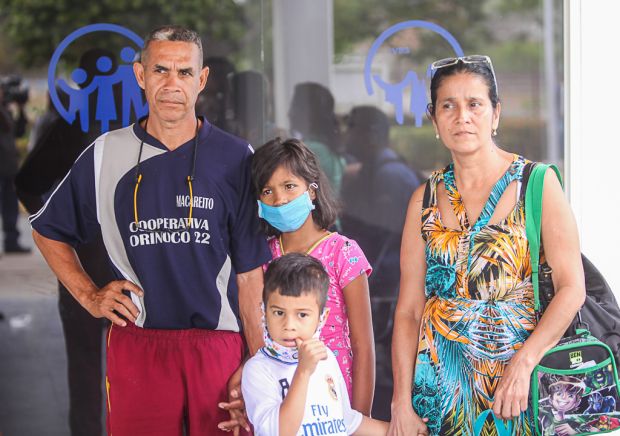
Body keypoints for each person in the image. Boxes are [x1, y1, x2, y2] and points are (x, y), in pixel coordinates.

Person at [30, 25, 270, 435]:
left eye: (184, 72)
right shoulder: (106, 153)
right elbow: (48, 230)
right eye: (160, 70)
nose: (172, 84)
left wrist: (258, 361)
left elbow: (249, 275)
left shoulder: (235, 157)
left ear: (202, 79)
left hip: (218, 347)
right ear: (140, 76)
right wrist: (89, 295)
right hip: (137, 343)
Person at [388, 55, 585, 435]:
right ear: (433, 119)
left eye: (474, 104)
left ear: (495, 113)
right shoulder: (422, 199)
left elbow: (572, 289)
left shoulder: (538, 185)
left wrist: (524, 364)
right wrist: (400, 401)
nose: (462, 116)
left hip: (518, 392)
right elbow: (409, 311)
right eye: (449, 105)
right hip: (439, 396)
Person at [15, 48, 122, 436]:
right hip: (132, 258)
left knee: (85, 364)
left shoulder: (73, 125)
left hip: (85, 257)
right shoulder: (140, 123)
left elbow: (27, 182)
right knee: (141, 362)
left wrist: (62, 226)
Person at [251, 137, 376, 416]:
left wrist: (359, 418)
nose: (280, 199)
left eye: (289, 186)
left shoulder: (343, 252)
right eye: (267, 190)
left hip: (334, 397)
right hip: (279, 396)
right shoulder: (261, 256)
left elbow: (363, 345)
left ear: (312, 191)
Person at [242, 252, 388, 435]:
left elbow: (347, 421)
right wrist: (303, 371)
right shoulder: (258, 369)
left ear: (322, 317)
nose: (289, 326)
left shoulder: (326, 359)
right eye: (279, 313)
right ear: (264, 311)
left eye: (302, 315)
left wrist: (402, 431)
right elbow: (279, 432)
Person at [288, 82, 345, 197]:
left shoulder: (313, 150)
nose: (289, 113)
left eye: (295, 107)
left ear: (309, 113)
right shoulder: (323, 146)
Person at [0, 84, 30, 254]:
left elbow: (18, 131)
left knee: (10, 207)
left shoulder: (5, 111)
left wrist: (21, 109)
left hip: (9, 167)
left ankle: (11, 241)